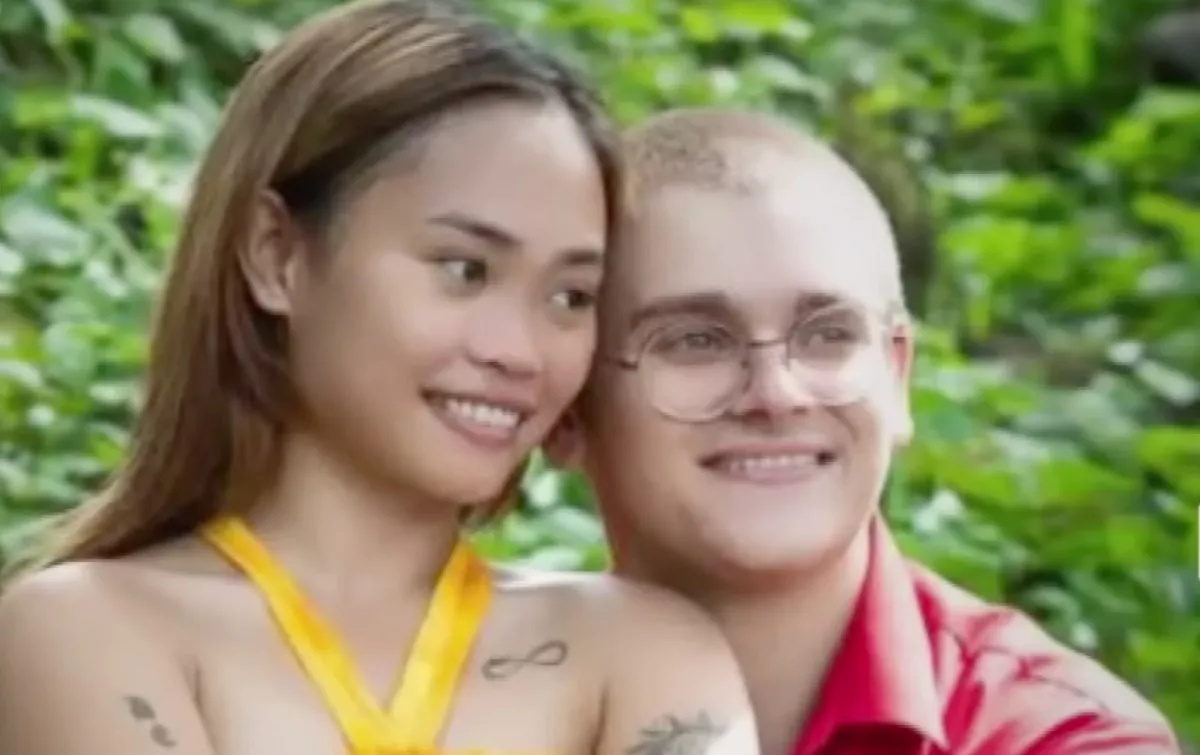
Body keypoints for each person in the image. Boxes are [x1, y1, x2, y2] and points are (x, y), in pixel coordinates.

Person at [0, 5, 759, 755]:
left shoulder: (645, 650)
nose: (520, 352)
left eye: (570, 297)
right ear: (274, 253)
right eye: (465, 270)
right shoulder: (89, 630)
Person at [547, 107, 1180, 755]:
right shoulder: (489, 707)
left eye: (828, 334)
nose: (776, 394)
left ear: (897, 378)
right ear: (567, 408)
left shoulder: (1060, 736)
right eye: (694, 341)